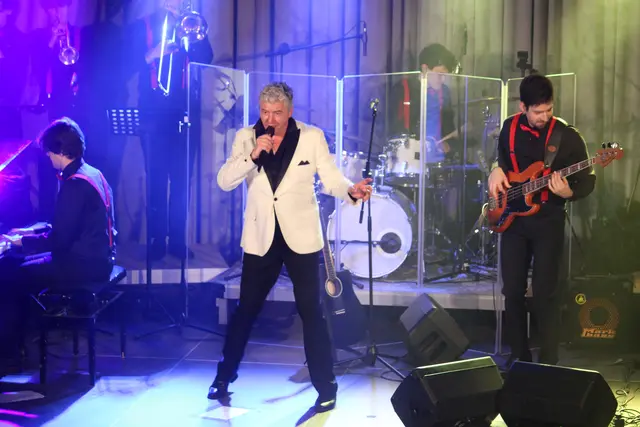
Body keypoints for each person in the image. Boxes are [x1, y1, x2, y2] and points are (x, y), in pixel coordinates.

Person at [209, 82, 372, 412]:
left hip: (301, 237)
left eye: (277, 113)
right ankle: (224, 376)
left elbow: (331, 178)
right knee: (245, 310)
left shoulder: (311, 137)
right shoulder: (245, 137)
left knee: (312, 312)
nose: (270, 119)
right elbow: (224, 181)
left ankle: (326, 386)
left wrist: (350, 191)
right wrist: (252, 156)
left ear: (290, 111)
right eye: (264, 112)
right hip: (261, 237)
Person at [488, 74, 595, 366]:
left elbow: (588, 180)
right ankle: (518, 357)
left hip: (548, 220)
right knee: (512, 290)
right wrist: (495, 169)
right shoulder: (509, 127)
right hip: (513, 221)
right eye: (537, 112)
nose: (544, 117)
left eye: (549, 110)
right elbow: (501, 160)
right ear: (522, 107)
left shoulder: (567, 136)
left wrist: (569, 192)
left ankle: (548, 360)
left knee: (546, 292)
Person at [0, 117, 116, 370]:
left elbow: (59, 241)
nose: (48, 157)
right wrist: (30, 232)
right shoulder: (92, 173)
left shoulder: (74, 185)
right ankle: (20, 343)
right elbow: (70, 226)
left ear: (60, 151)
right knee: (15, 264)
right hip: (97, 257)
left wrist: (20, 242)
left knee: (10, 274)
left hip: (84, 265)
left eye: (49, 152)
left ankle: (10, 354)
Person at [129, 0, 214, 260]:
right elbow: (124, 67)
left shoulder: (189, 24)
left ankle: (177, 241)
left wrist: (190, 32)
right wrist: (152, 54)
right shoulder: (142, 26)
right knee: (155, 180)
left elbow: (206, 59)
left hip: (185, 113)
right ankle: (156, 241)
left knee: (181, 181)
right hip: (153, 115)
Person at [390, 43, 459, 163]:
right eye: (440, 74)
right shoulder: (402, 89)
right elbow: (392, 129)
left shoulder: (445, 92)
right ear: (425, 68)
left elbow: (449, 128)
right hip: (409, 159)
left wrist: (448, 144)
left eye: (445, 75)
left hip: (438, 159)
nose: (443, 80)